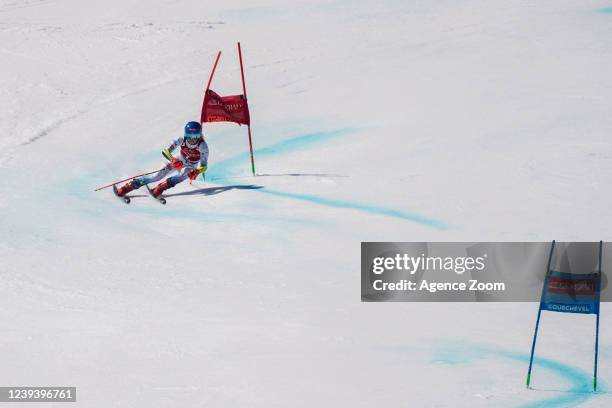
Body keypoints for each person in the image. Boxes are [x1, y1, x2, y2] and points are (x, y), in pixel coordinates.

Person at [116, 121, 209, 198]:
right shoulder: (180, 139)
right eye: (189, 136)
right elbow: (165, 151)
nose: (192, 139)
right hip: (179, 158)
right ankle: (128, 187)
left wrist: (197, 171)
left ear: (200, 135)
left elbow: (204, 166)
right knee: (156, 176)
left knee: (182, 176)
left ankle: (160, 188)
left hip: (191, 165)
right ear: (185, 134)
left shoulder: (203, 146)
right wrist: (173, 160)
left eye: (195, 136)